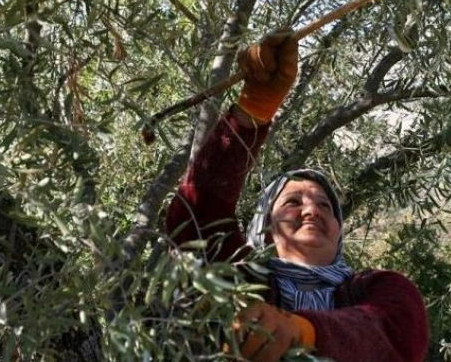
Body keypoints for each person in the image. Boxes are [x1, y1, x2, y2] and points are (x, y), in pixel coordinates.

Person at [165, 31, 429, 362]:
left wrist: (303, 332)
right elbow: (195, 215)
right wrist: (253, 109)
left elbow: (392, 335)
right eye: (293, 202)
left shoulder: (382, 288)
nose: (311, 211)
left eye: (324, 205)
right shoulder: (238, 273)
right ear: (265, 228)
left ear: (339, 229)